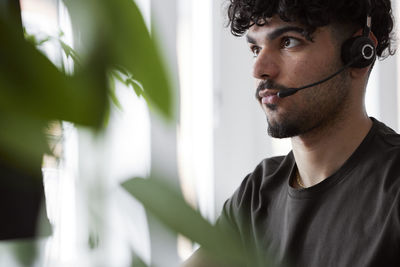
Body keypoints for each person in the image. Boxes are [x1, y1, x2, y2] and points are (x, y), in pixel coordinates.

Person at [183, 0, 398, 266]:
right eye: (255, 48)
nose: (259, 70)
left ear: (358, 54)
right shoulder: (257, 195)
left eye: (288, 42)